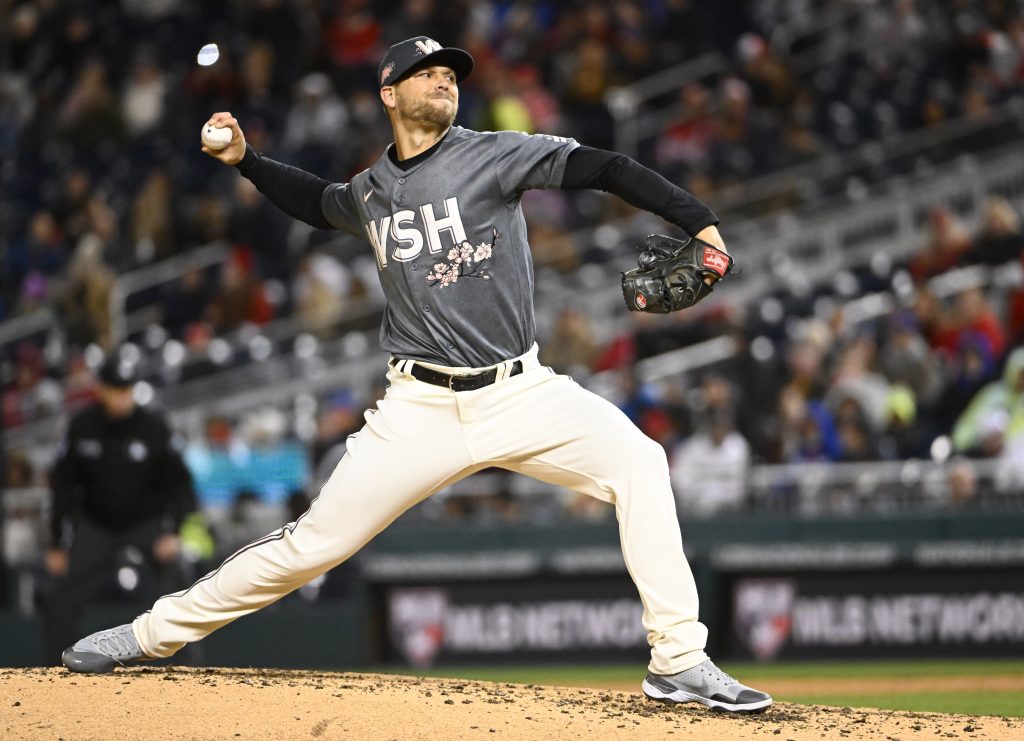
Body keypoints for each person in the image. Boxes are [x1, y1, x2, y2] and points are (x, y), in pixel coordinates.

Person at [62, 37, 771, 713]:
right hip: (419, 408)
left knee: (641, 463)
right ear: (389, 93)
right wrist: (248, 159)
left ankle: (677, 659)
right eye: (428, 71)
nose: (445, 79)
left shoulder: (496, 155)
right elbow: (316, 202)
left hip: (521, 389)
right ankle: (150, 634)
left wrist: (699, 222)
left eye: (452, 73)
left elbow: (607, 167)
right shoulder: (371, 192)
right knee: (311, 546)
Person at [43, 352, 197, 663]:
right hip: (96, 524)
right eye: (116, 388)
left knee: (179, 583)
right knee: (58, 592)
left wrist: (175, 531)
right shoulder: (82, 426)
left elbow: (180, 483)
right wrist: (57, 542)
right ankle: (56, 670)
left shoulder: (153, 427)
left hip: (146, 524)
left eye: (127, 388)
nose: (122, 396)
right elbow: (63, 486)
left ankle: (187, 668)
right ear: (101, 389)